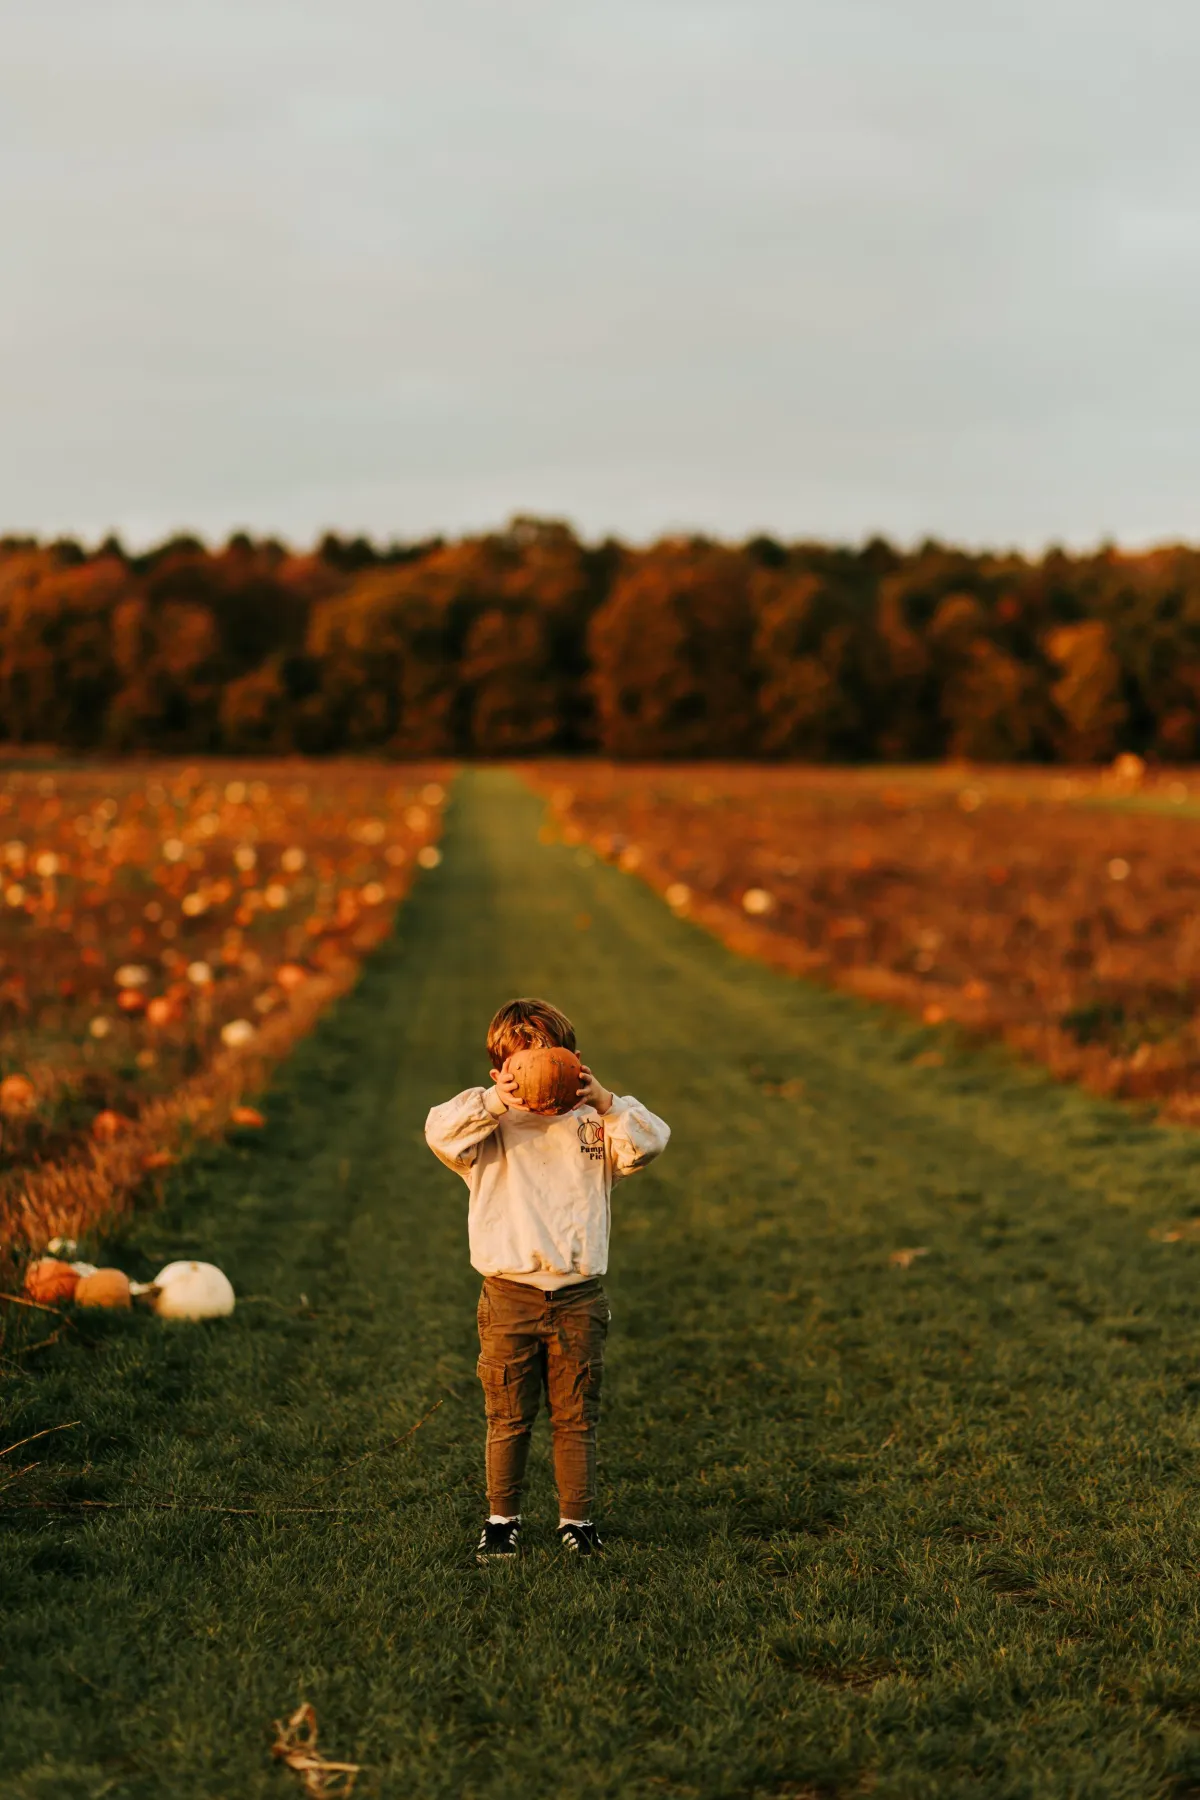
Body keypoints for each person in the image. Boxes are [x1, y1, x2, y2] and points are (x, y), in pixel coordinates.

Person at [424, 997, 670, 1560]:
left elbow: (651, 1141)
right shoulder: (484, 1128)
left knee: (576, 1416)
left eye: (550, 1059)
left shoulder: (596, 1124)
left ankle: (576, 1521)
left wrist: (606, 1101)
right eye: (519, 1066)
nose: (537, 1073)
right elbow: (440, 1132)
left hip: (578, 1298)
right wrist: (493, 1102)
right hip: (508, 1297)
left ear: (575, 1063)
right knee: (508, 1415)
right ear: (499, 1074)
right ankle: (501, 1520)